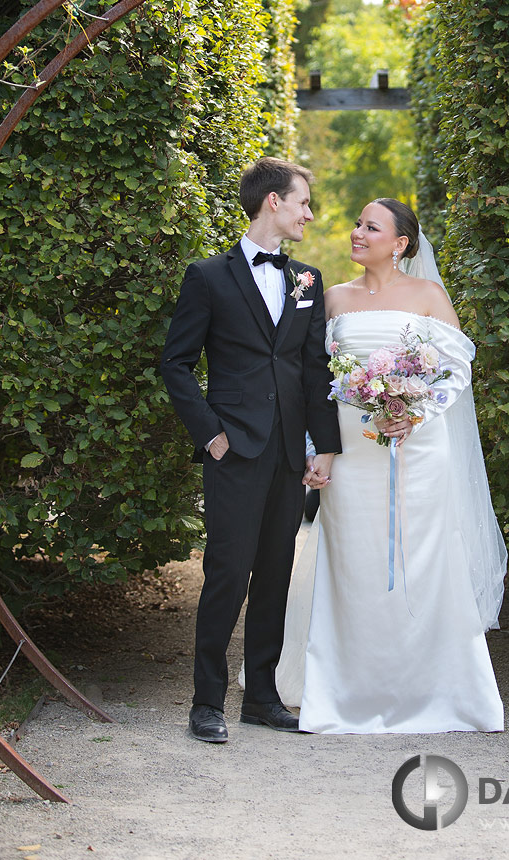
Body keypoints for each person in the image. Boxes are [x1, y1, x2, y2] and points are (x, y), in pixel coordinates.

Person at [275, 197, 507, 733]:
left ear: (401, 243)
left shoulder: (428, 295)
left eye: (370, 227)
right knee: (353, 558)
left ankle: (435, 686)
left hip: (419, 450)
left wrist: (417, 412)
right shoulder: (332, 298)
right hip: (352, 455)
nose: (357, 233)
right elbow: (314, 381)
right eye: (357, 224)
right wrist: (318, 448)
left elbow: (456, 367)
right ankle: (347, 683)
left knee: (423, 559)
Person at [160, 157, 340, 743]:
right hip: (233, 451)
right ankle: (206, 700)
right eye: (303, 202)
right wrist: (211, 435)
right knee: (226, 574)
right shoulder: (208, 276)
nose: (309, 214)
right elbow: (177, 364)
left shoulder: (307, 279)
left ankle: (260, 696)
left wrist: (325, 448)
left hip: (290, 452)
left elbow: (316, 371)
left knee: (275, 577)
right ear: (273, 202)